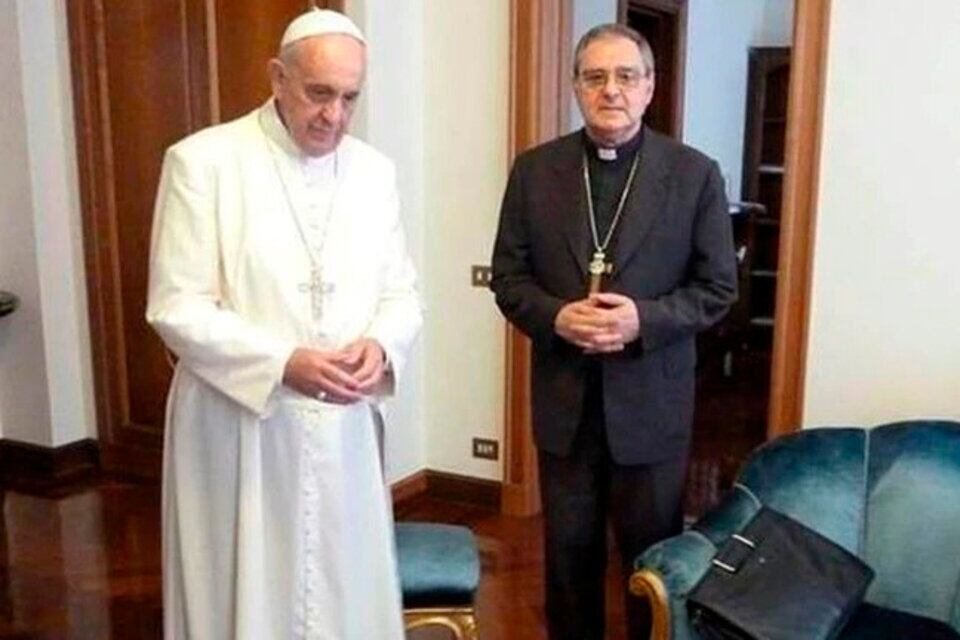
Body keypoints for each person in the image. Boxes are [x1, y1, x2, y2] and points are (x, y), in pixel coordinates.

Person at [146, 9, 421, 639]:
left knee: (340, 585)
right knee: (244, 588)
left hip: (343, 430)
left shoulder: (374, 173)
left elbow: (401, 292)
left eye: (350, 98)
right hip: (239, 425)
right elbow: (175, 304)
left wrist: (381, 344)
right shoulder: (203, 162)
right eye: (318, 93)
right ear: (277, 77)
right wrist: (282, 362)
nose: (334, 117)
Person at [490, 23, 737, 640]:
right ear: (576, 87)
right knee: (567, 563)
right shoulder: (535, 172)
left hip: (651, 405)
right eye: (595, 77)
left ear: (650, 87)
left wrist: (641, 320)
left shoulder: (694, 174)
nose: (612, 91)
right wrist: (555, 316)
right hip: (565, 407)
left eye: (626, 76)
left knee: (649, 565)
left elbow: (718, 291)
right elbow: (508, 279)